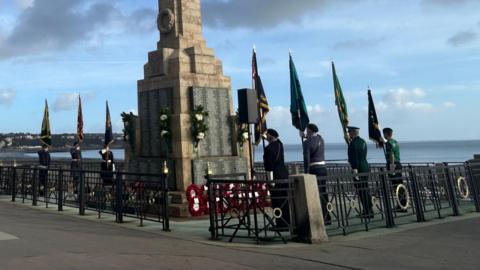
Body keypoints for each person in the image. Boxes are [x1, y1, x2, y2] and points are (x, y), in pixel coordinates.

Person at [300, 123, 330, 225]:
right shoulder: (321, 139)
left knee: (317, 193)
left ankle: (321, 217)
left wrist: (306, 172)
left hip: (314, 169)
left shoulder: (307, 142)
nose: (305, 132)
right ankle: (327, 216)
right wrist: (304, 137)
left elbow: (306, 158)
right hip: (323, 168)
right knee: (323, 192)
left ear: (309, 130)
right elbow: (314, 142)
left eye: (306, 130)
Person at [263, 129, 290, 229]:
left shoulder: (268, 148)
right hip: (284, 175)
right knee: (285, 201)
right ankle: (287, 222)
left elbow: (269, 166)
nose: (265, 136)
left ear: (270, 135)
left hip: (275, 177)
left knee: (277, 202)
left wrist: (270, 181)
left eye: (267, 134)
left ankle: (280, 224)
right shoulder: (280, 144)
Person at [347, 126, 374, 218]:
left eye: (349, 132)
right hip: (365, 166)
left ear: (353, 133)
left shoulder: (353, 144)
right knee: (365, 189)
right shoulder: (363, 141)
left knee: (361, 190)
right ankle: (369, 209)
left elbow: (354, 159)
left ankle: (367, 211)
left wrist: (355, 170)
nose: (348, 134)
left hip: (358, 169)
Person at [383, 127, 407, 212]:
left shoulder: (388, 143)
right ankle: (403, 204)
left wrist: (392, 167)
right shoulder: (395, 142)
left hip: (393, 165)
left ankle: (400, 205)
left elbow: (391, 155)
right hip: (398, 164)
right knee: (400, 185)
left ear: (386, 134)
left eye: (384, 134)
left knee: (395, 186)